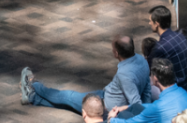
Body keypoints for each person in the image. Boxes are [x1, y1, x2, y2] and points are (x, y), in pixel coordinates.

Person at [20, 36, 149, 115]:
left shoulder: (125, 74)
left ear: (116, 53)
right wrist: (149, 105)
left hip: (105, 106)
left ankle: (34, 85)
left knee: (66, 96)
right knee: (69, 103)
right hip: (106, 95)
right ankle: (32, 98)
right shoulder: (142, 60)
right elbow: (147, 89)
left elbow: (136, 104)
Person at [145, 6, 187, 95]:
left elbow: (149, 71)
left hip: (177, 90)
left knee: (144, 84)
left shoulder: (160, 48)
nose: (149, 23)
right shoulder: (180, 36)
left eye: (150, 21)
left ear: (157, 23)